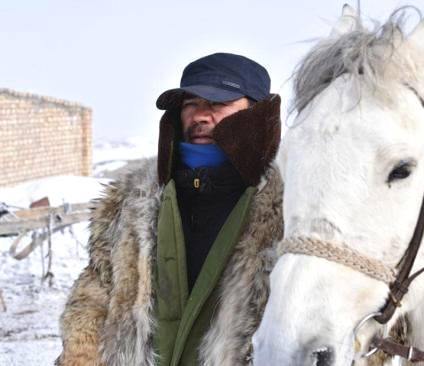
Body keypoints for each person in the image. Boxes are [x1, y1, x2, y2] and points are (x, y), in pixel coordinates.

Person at [56, 53, 283, 366]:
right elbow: (95, 296)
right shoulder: (133, 200)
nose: (200, 116)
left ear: (258, 112)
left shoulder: (291, 208)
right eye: (191, 103)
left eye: (218, 102)